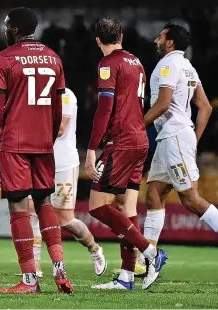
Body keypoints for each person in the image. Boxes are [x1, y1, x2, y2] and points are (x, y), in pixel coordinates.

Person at [0, 7, 73, 294]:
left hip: (15, 143)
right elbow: (58, 108)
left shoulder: (3, 59)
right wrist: (48, 136)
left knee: (19, 206)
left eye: (5, 25)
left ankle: (29, 280)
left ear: (14, 28)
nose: (4, 29)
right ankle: (59, 267)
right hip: (43, 143)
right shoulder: (54, 58)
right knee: (45, 202)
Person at [86, 17, 167, 291]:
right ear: (120, 35)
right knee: (127, 208)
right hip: (140, 140)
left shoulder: (108, 64)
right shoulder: (136, 62)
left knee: (97, 206)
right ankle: (127, 276)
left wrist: (91, 149)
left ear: (98, 41)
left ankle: (152, 253)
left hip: (120, 142)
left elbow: (105, 109)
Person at [142, 21, 216, 259]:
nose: (156, 40)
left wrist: (136, 126)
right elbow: (204, 107)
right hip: (172, 137)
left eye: (160, 36)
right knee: (153, 194)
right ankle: (148, 259)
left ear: (170, 41)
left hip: (173, 135)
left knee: (190, 199)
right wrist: (193, 140)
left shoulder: (167, 64)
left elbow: (163, 104)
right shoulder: (187, 67)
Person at [21, 88, 107, 279]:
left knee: (64, 220)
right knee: (32, 210)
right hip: (40, 161)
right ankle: (35, 267)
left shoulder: (66, 95)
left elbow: (60, 129)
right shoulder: (33, 95)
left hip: (63, 164)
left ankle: (94, 248)